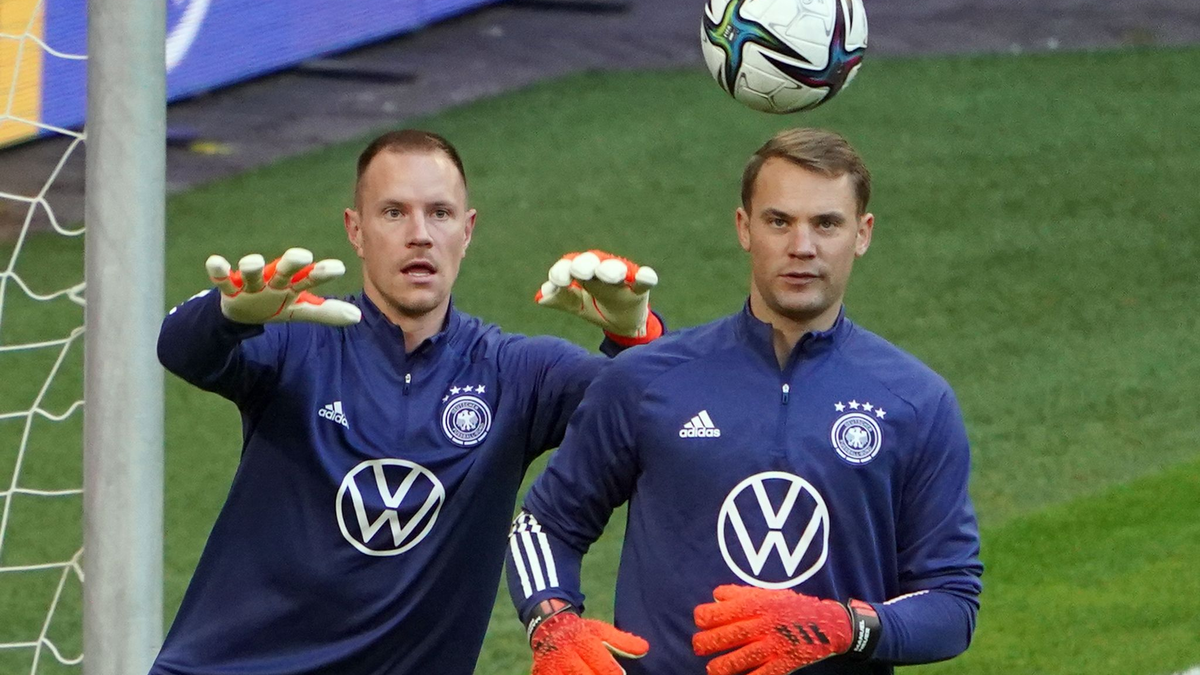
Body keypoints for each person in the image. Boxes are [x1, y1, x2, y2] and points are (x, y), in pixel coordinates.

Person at [151, 129, 663, 675]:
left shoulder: (516, 374)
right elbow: (180, 350)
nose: (419, 235)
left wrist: (635, 338)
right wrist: (229, 315)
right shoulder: (297, 339)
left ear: (467, 231)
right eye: (394, 213)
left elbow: (654, 418)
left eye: (439, 214)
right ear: (356, 230)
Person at [505, 127, 983, 675]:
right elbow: (546, 524)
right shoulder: (646, 381)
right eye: (779, 221)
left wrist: (846, 628)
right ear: (744, 228)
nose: (802, 246)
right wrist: (553, 621)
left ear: (862, 233)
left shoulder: (916, 402)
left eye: (826, 223)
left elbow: (951, 603)